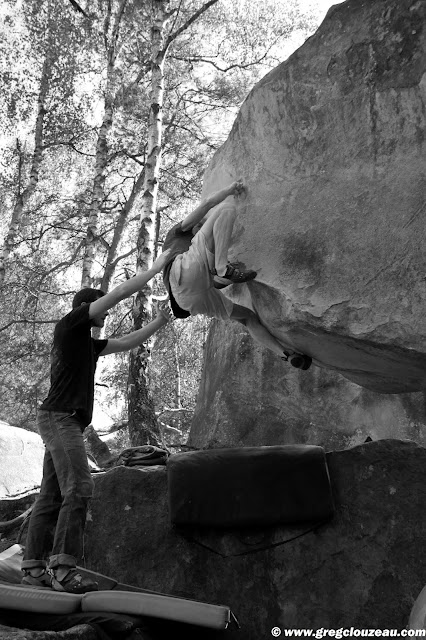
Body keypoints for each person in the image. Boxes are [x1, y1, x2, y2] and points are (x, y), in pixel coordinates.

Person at [21, 250, 173, 594]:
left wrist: (161, 321)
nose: (105, 312)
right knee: (80, 486)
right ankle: (62, 569)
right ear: (89, 308)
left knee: (52, 495)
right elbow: (118, 294)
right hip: (59, 418)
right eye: (100, 307)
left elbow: (129, 342)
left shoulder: (88, 345)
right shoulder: (71, 324)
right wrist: (157, 268)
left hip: (63, 421)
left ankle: (32, 569)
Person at [162, 180, 312, 370]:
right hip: (182, 272)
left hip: (193, 301)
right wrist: (229, 189)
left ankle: (286, 355)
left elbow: (210, 284)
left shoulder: (195, 254)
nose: (201, 226)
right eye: (199, 225)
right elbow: (208, 204)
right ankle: (223, 268)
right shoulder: (176, 235)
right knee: (226, 207)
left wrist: (225, 278)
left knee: (247, 317)